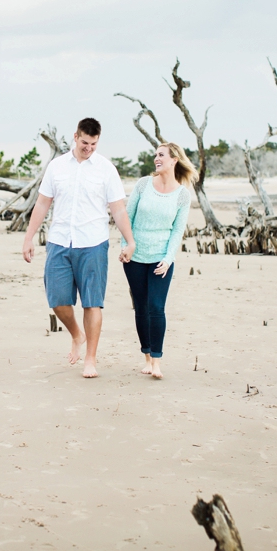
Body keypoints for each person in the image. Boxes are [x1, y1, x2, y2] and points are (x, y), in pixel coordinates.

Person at [22, 118, 136, 378]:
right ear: (75, 137)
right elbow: (42, 204)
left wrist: (130, 241)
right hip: (60, 241)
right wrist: (29, 238)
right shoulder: (57, 166)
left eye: (94, 144)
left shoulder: (106, 169)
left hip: (93, 243)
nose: (89, 148)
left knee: (92, 303)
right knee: (58, 301)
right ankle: (76, 334)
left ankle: (90, 360)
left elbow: (118, 209)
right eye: (85, 143)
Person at [120, 142, 197, 379]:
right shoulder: (144, 184)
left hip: (161, 260)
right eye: (155, 155)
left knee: (156, 307)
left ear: (174, 160)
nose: (157, 158)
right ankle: (146, 355)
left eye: (161, 155)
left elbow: (177, 231)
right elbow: (127, 217)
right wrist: (125, 247)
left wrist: (168, 258)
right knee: (141, 307)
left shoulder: (183, 195)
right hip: (135, 258)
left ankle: (156, 361)